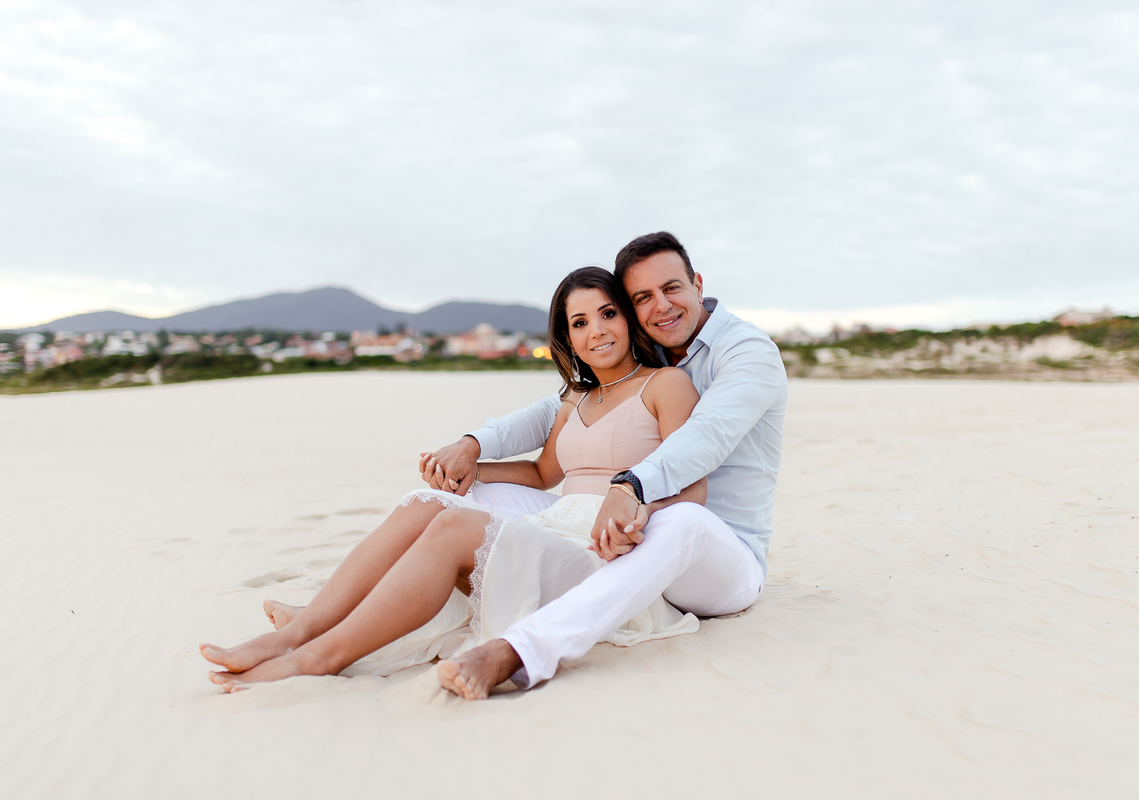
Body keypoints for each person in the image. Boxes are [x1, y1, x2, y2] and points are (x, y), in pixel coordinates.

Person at [199, 266, 706, 691]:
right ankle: (301, 631)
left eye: (608, 313)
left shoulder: (665, 385)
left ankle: (318, 656)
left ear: (627, 317)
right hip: (557, 525)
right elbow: (543, 473)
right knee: (427, 502)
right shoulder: (577, 398)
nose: (597, 330)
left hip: (611, 556)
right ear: (567, 337)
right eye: (580, 322)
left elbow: (692, 489)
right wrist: (469, 470)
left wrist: (633, 517)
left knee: (455, 529)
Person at [426, 231, 789, 700]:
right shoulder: (657, 347)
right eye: (643, 297)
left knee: (684, 518)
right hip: (640, 535)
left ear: (698, 284)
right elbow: (554, 410)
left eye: (672, 288)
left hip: (721, 556)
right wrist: (474, 445)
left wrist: (630, 486)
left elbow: (708, 436)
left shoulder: (747, 351)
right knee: (474, 497)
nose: (661, 306)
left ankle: (522, 651)